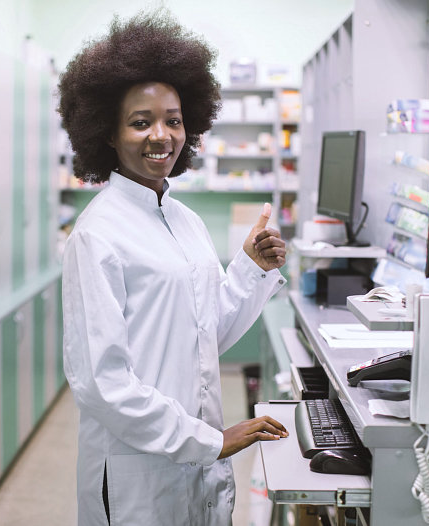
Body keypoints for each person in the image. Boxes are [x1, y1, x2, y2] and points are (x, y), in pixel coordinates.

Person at [59, 12, 288, 526]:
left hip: (194, 458)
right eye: (141, 122)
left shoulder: (184, 220)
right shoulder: (97, 235)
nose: (161, 135)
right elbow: (102, 382)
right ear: (109, 134)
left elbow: (204, 332)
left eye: (174, 119)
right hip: (138, 471)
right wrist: (209, 439)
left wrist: (251, 268)